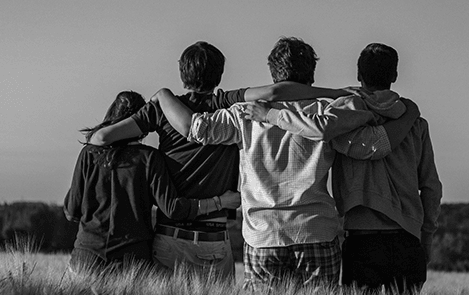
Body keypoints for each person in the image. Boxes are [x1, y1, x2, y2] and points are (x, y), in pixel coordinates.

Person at [151, 37, 420, 289]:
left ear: (273, 73)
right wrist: (408, 115)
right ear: (311, 75)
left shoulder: (244, 114)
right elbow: (372, 146)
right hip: (316, 232)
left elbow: (196, 129)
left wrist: (163, 95)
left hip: (263, 236)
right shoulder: (326, 113)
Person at [88, 42, 351, 279]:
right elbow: (274, 92)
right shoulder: (225, 103)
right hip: (218, 237)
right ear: (220, 74)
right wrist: (336, 92)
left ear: (182, 73)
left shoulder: (162, 108)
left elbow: (101, 138)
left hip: (173, 235)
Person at [246, 43, 442, 295]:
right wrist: (426, 238)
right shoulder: (416, 124)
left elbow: (331, 133)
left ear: (359, 75)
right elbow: (431, 186)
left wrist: (271, 115)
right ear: (394, 75)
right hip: (408, 239)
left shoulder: (343, 117)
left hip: (362, 240)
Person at [64, 90, 240, 275]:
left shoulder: (89, 154)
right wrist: (220, 202)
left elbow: (71, 211)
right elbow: (173, 209)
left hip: (86, 257)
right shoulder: (149, 158)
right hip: (132, 261)